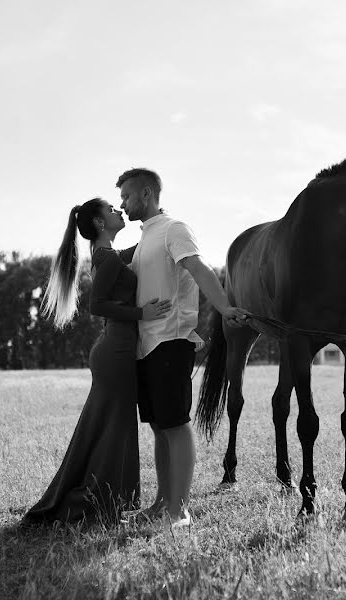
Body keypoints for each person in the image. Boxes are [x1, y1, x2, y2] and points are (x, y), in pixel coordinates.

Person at [21, 197, 172, 526]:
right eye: (112, 210)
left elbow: (137, 253)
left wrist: (157, 225)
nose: (119, 211)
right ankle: (102, 503)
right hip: (115, 351)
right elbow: (97, 304)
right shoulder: (106, 257)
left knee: (106, 428)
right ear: (101, 223)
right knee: (116, 429)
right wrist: (141, 313)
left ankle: (101, 500)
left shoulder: (108, 255)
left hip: (114, 350)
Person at [116, 168, 249, 529]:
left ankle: (180, 511)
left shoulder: (174, 229)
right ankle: (162, 504)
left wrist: (224, 308)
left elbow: (198, 268)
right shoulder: (146, 237)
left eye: (126, 196)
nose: (122, 204)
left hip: (172, 341)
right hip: (147, 344)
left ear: (146, 194)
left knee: (175, 425)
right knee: (159, 427)